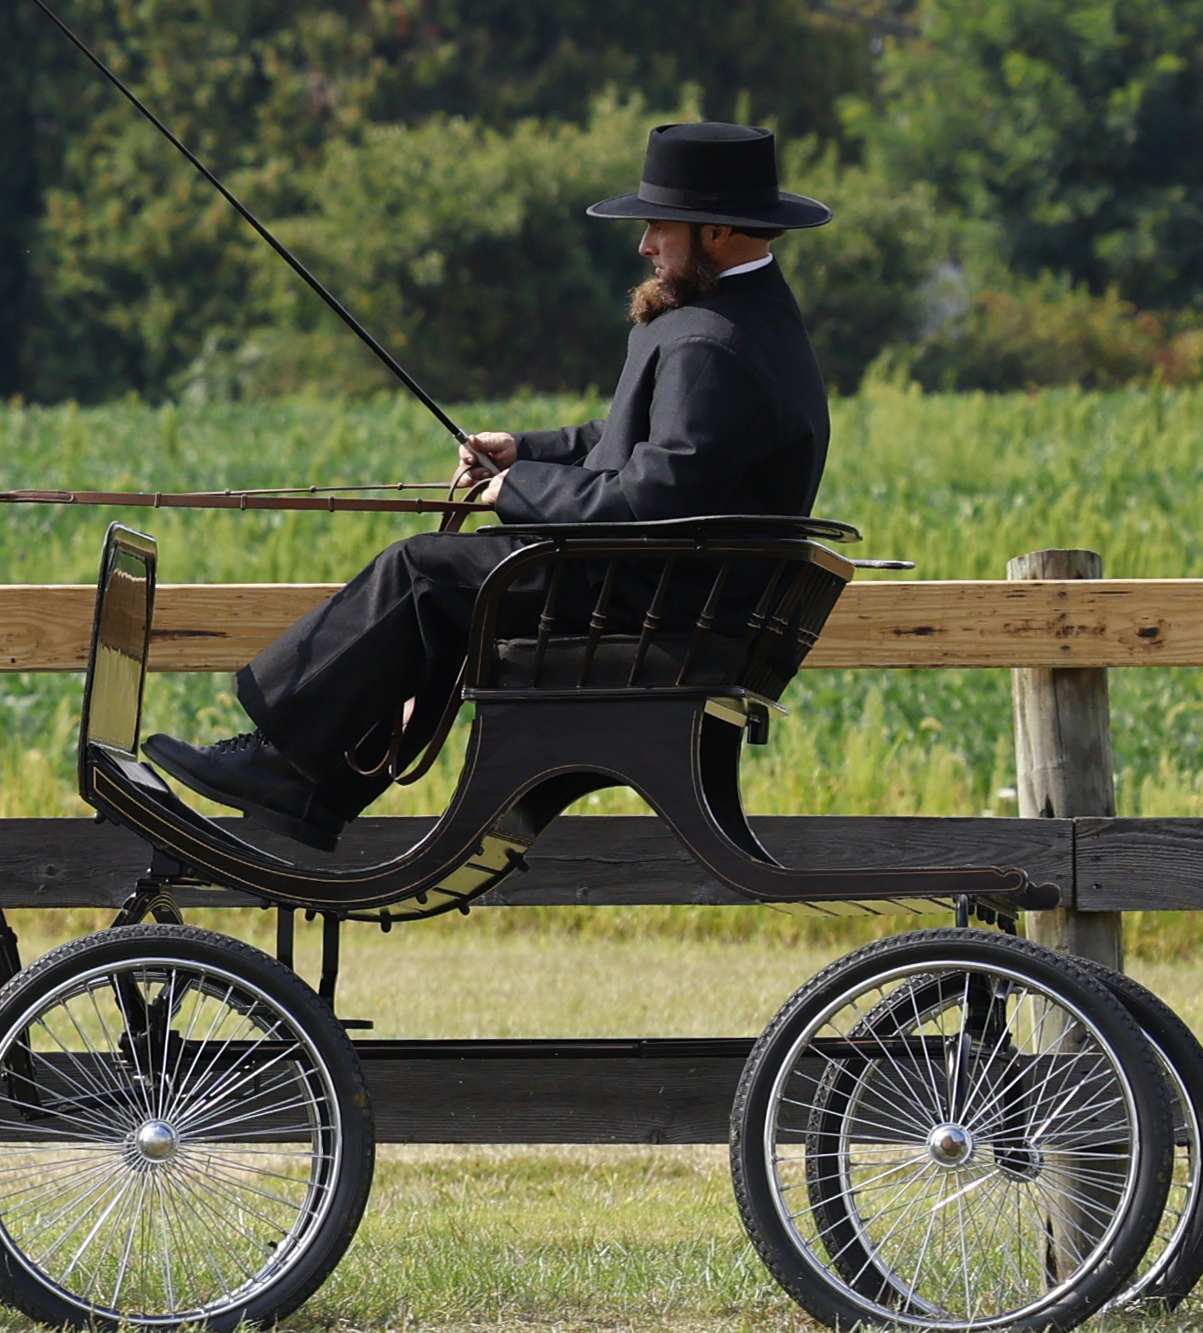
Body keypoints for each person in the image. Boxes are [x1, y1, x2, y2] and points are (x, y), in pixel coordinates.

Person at [149, 120, 835, 850]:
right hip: (678, 589)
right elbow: (631, 444)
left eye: (658, 227)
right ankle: (311, 783)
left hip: (657, 601)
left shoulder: (708, 341)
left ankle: (282, 762)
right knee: (449, 589)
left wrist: (517, 491)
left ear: (718, 231)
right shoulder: (743, 320)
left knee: (420, 572)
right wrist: (526, 451)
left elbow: (654, 494)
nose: (643, 246)